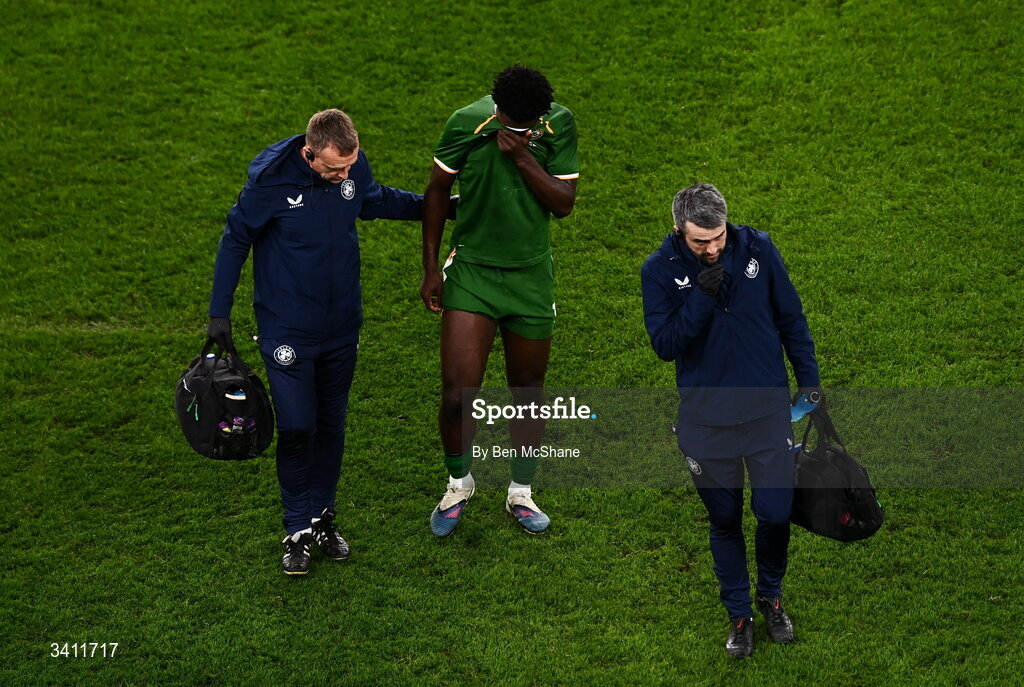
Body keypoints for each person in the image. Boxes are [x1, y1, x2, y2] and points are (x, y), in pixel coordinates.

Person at [208, 109, 429, 575]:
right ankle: (296, 530)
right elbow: (235, 241)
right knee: (296, 428)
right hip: (286, 331)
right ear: (309, 154)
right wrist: (219, 315)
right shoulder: (269, 182)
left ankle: (322, 517)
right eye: (334, 169)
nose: (343, 175)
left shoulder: (350, 166)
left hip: (341, 327)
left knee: (331, 424)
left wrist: (441, 206)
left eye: (349, 166)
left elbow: (374, 199)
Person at [640, 183, 822, 658]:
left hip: (767, 414)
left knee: (776, 512)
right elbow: (665, 345)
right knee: (724, 519)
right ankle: (739, 615)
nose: (713, 247)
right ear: (680, 230)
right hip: (706, 421)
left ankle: (772, 596)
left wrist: (810, 381)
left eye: (718, 236)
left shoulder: (758, 248)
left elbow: (791, 319)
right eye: (701, 241)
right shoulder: (659, 271)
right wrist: (699, 299)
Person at [420, 65, 579, 537]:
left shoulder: (558, 125)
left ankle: (520, 493)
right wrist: (431, 267)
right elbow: (436, 191)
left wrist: (525, 158)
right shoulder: (466, 122)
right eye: (515, 123)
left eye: (531, 123)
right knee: (456, 394)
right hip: (473, 272)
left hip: (531, 278)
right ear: (498, 108)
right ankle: (458, 483)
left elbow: (564, 202)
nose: (523, 130)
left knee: (527, 390)